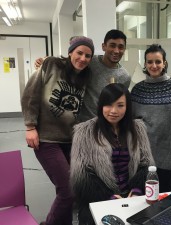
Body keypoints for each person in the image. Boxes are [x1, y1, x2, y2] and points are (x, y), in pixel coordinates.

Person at [21, 36, 94, 225]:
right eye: (79, 53)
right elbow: (31, 93)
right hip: (47, 140)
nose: (83, 58)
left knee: (66, 189)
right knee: (68, 190)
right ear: (70, 52)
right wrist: (30, 126)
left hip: (69, 141)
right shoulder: (51, 64)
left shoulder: (85, 77)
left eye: (88, 55)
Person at [70, 83, 155, 225]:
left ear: (127, 107)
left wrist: (135, 191)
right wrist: (111, 197)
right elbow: (81, 176)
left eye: (120, 105)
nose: (113, 111)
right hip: (99, 197)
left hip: (132, 195)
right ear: (101, 105)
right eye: (108, 105)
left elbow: (147, 164)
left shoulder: (138, 129)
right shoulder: (84, 131)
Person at [35, 29, 131, 122]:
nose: (116, 51)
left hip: (104, 124)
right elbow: (69, 61)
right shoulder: (90, 61)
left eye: (121, 47)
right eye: (112, 45)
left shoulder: (125, 76)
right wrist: (45, 61)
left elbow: (119, 102)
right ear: (103, 46)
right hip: (79, 122)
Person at [130, 44, 171, 192]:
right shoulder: (137, 91)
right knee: (147, 201)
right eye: (149, 62)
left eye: (158, 61)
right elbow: (131, 124)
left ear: (164, 63)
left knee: (168, 200)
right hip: (145, 158)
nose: (154, 65)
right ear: (145, 64)